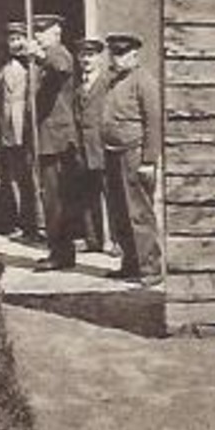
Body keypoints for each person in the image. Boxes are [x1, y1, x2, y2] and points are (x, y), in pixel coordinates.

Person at [100, 31, 161, 283]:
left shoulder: (143, 81)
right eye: (113, 53)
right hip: (113, 153)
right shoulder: (113, 81)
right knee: (120, 212)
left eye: (122, 54)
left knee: (139, 213)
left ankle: (151, 268)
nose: (116, 58)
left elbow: (154, 122)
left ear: (135, 54)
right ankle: (131, 263)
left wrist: (149, 160)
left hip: (134, 153)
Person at [27, 13, 79, 272]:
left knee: (56, 199)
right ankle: (59, 251)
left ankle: (61, 253)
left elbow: (61, 68)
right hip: (47, 137)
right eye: (36, 31)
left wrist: (39, 56)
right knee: (52, 198)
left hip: (58, 139)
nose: (37, 35)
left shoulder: (60, 53)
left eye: (42, 31)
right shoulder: (48, 58)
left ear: (56, 32)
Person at [0, 23, 39, 240]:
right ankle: (24, 223)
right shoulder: (3, 71)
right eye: (12, 40)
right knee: (15, 179)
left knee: (34, 178)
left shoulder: (35, 68)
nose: (16, 44)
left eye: (20, 39)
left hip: (30, 132)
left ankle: (41, 225)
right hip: (9, 134)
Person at [70, 36, 112, 254]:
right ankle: (92, 239)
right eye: (82, 55)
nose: (86, 59)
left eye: (91, 55)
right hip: (83, 150)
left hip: (103, 148)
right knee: (88, 195)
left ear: (99, 58)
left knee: (111, 197)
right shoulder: (79, 86)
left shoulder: (107, 83)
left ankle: (116, 241)